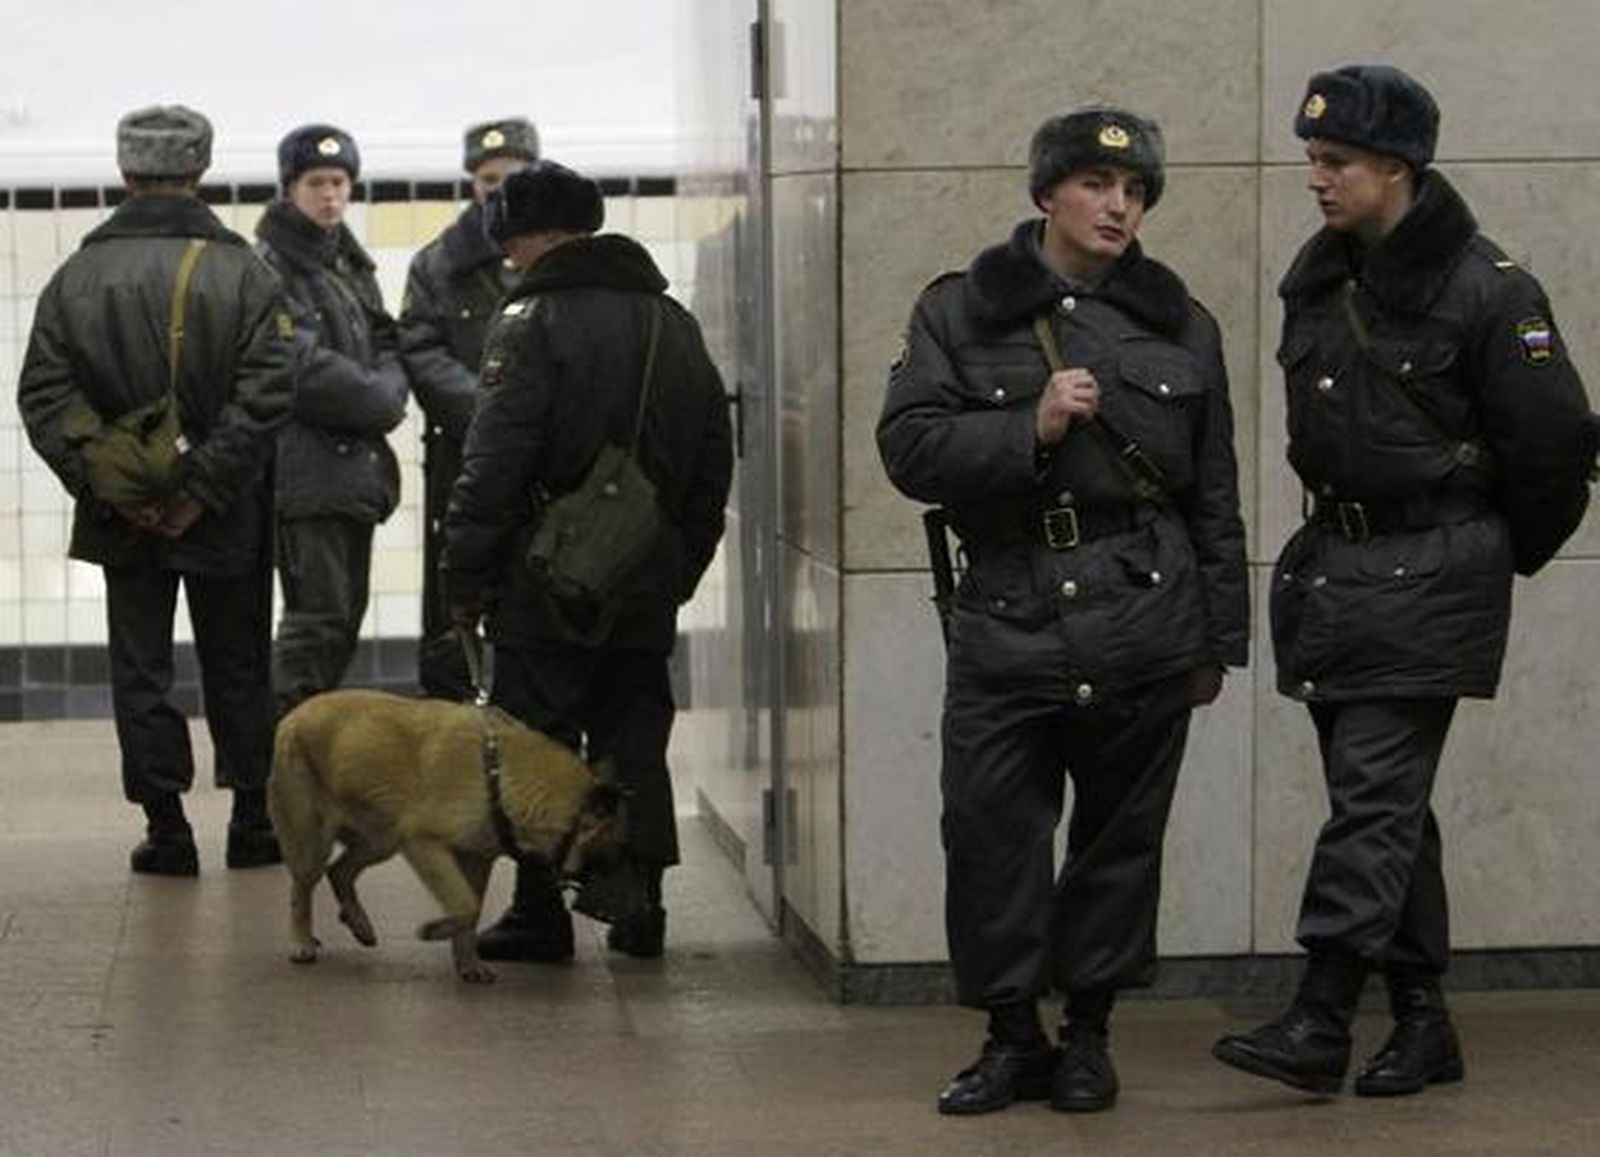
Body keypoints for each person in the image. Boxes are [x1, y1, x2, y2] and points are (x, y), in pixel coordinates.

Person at [1212, 64, 1596, 1099]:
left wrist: (1476, 553)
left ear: (1397, 167)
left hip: (1429, 570)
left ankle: (1323, 1012)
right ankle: (1422, 1020)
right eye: (1311, 160)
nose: (1316, 179)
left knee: (1373, 798)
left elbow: (1558, 447)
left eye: (1334, 162)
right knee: (1384, 802)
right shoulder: (1323, 272)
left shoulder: (1489, 289)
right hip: (1337, 570)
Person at [876, 106, 1249, 1116]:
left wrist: (1221, 637)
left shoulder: (1183, 324)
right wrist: (1026, 426)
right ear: (1046, 194)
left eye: (1133, 191)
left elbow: (1213, 492)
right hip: (1006, 611)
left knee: (1117, 842)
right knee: (990, 830)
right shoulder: (958, 312)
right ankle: (1010, 1036)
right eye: (1094, 184)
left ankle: (1088, 1032)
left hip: (1144, 613)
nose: (1117, 203)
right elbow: (907, 449)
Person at [441, 161, 734, 961]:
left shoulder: (530, 321)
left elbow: (492, 463)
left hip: (545, 577)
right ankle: (641, 907)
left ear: (531, 239)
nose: (509, 262)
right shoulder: (673, 322)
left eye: (512, 247)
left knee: (536, 741)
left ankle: (541, 910)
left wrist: (463, 575)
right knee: (634, 732)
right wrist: (679, 564)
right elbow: (714, 458)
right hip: (646, 573)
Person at [17, 105, 299, 875]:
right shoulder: (244, 273)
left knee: (141, 665)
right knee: (237, 659)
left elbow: (45, 393)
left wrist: (115, 487)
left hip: (123, 515)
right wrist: (202, 489)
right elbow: (270, 391)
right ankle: (252, 820)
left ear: (124, 173)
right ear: (200, 171)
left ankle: (167, 828)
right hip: (226, 507)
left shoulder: (76, 277)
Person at [255, 123, 409, 718]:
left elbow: (385, 336)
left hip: (350, 477)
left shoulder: (345, 261)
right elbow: (299, 368)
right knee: (316, 622)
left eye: (339, 182)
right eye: (316, 183)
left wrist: (384, 389)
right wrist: (382, 398)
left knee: (341, 618)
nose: (330, 196)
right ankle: (281, 756)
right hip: (307, 475)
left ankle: (302, 754)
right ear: (289, 188)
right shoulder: (272, 266)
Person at [399, 117, 540, 699]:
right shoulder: (438, 265)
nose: (498, 187)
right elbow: (420, 348)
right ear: (471, 182)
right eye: (487, 177)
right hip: (463, 459)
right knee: (454, 596)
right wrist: (491, 414)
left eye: (512, 175)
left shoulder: (556, 256)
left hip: (544, 461)